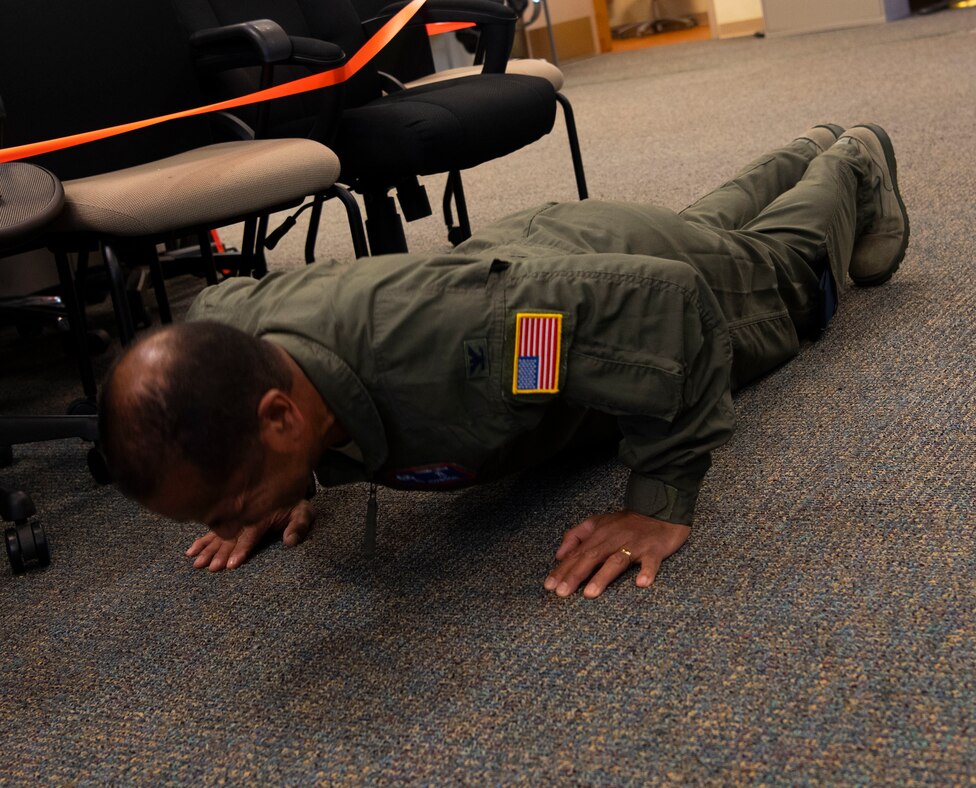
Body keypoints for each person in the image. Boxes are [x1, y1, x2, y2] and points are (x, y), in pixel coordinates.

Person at [98, 123, 909, 599]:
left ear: (280, 414)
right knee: (702, 229)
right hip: (552, 254)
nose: (231, 527)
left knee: (785, 276)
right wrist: (275, 481)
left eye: (233, 504)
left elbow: (666, 306)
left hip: (587, 279)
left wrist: (659, 497)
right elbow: (216, 323)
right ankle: (806, 142)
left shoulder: (467, 346)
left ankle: (853, 157)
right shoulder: (228, 342)